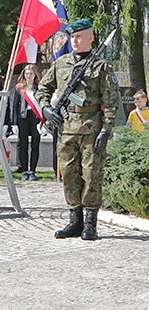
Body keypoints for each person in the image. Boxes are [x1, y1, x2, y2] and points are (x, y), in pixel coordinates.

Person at [36, 18, 119, 241]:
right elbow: (42, 88)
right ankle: (75, 221)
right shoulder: (61, 63)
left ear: (90, 38)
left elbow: (111, 102)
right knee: (70, 175)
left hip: (92, 129)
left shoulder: (101, 66)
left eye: (79, 36)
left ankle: (90, 224)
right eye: (72, 37)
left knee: (92, 175)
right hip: (66, 128)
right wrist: (46, 110)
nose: (74, 40)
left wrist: (106, 131)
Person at [11, 64, 43, 181]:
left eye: (31, 74)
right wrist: (14, 123)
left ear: (35, 75)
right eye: (26, 73)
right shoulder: (19, 88)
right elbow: (15, 106)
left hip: (35, 118)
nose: (28, 76)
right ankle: (24, 170)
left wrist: (43, 121)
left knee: (35, 144)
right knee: (22, 144)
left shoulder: (39, 88)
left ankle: (32, 170)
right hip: (22, 118)